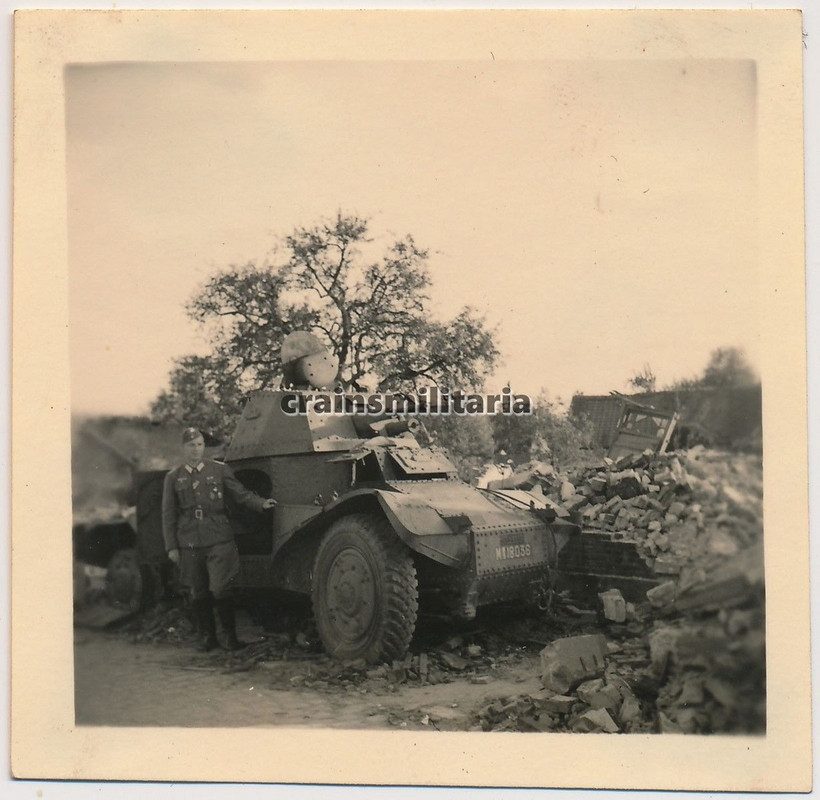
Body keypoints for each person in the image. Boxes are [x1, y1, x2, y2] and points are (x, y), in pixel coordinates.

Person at [162, 427, 276, 651]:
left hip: (219, 538)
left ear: (204, 447)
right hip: (190, 542)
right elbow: (168, 514)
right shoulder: (173, 477)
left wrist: (261, 503)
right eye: (191, 445)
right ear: (183, 448)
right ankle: (208, 637)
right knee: (198, 590)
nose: (196, 450)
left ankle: (230, 638)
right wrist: (171, 546)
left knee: (221, 588)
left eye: (199, 445)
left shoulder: (219, 470)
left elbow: (240, 494)